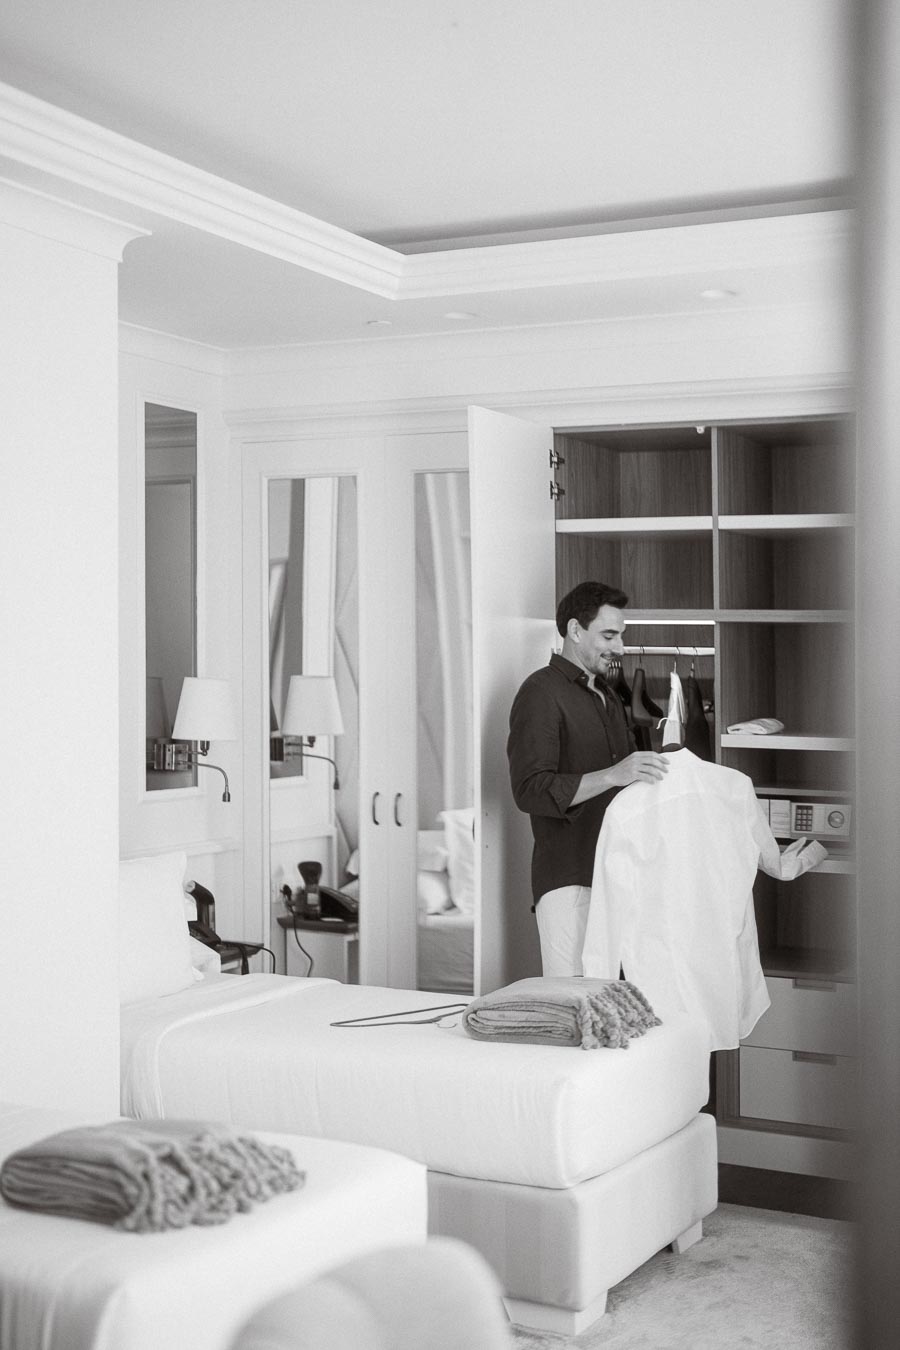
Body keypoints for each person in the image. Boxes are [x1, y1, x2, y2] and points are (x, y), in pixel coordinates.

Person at [507, 580, 669, 977]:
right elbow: (530, 790)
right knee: (573, 1006)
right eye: (609, 635)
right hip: (570, 882)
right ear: (575, 630)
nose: (620, 648)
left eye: (621, 636)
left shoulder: (608, 695)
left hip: (616, 876)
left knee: (616, 1005)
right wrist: (614, 774)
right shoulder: (540, 693)